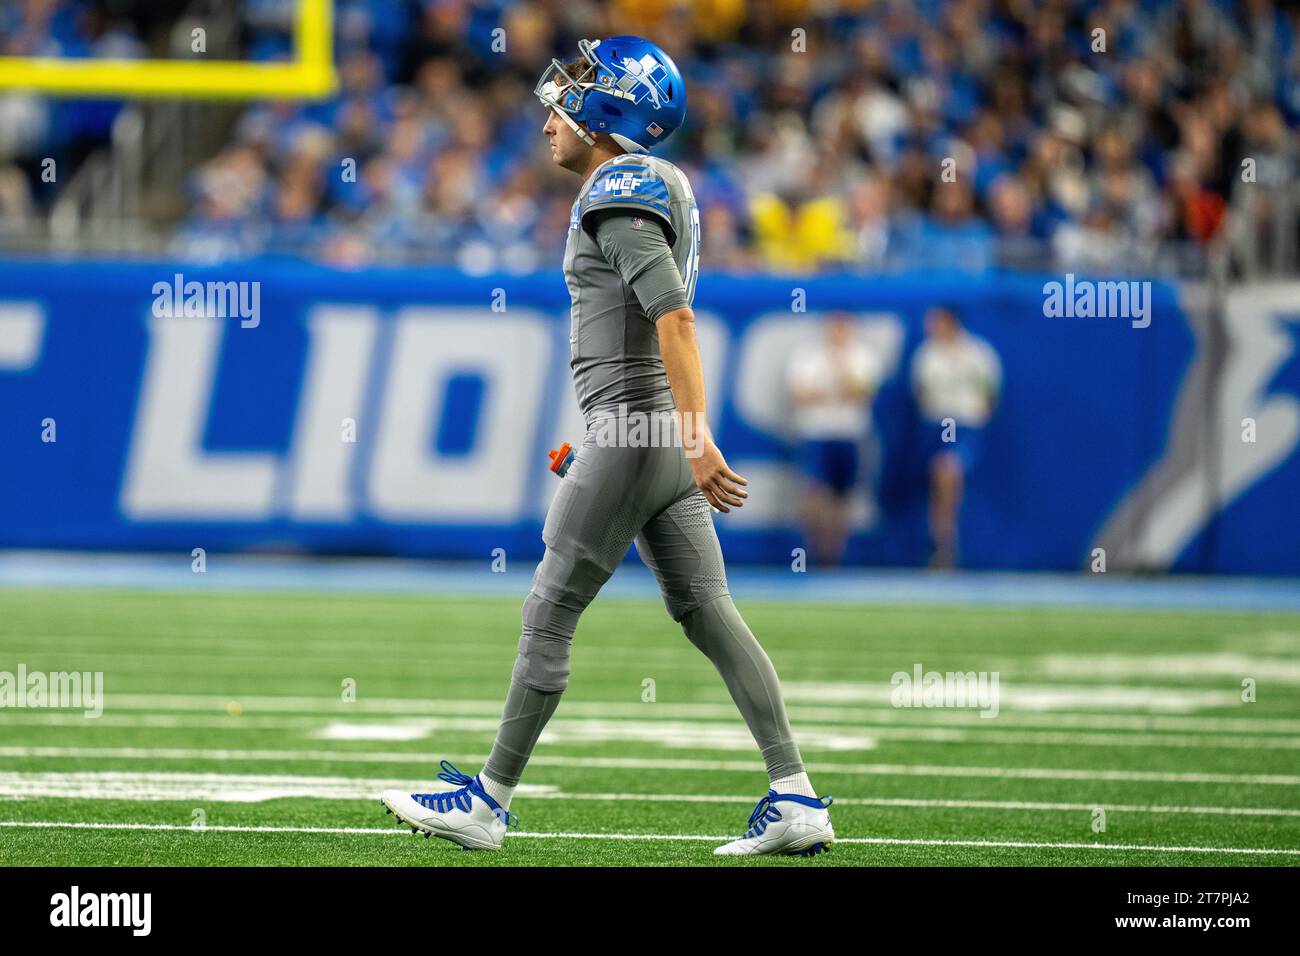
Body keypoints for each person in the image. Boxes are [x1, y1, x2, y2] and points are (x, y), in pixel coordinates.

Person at [381, 36, 834, 857]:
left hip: (638, 429)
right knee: (708, 613)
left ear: (613, 107)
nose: (555, 105)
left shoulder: (620, 186)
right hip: (642, 432)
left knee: (549, 608)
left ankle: (487, 802)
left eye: (579, 88)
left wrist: (691, 437)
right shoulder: (643, 185)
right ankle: (796, 796)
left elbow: (676, 318)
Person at [786, 312, 881, 565]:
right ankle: (815, 550)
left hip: (848, 432)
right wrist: (833, 390)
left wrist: (839, 369)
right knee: (815, 490)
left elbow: (860, 393)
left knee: (843, 494)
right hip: (816, 431)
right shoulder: (808, 356)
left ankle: (834, 553)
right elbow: (799, 395)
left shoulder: (863, 357)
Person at [910, 305, 1001, 568]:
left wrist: (978, 414)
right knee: (939, 483)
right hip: (936, 424)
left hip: (964, 425)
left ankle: (945, 545)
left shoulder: (978, 354)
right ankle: (941, 543)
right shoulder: (927, 355)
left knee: (947, 473)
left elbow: (990, 393)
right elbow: (921, 393)